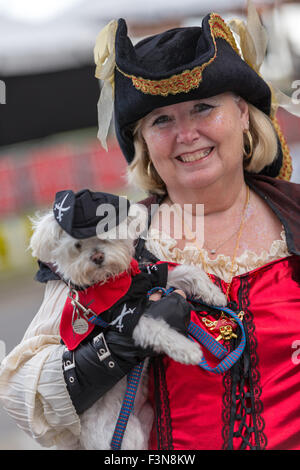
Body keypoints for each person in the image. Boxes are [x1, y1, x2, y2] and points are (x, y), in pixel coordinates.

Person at [0, 3, 299, 450]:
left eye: (203, 108)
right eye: (162, 120)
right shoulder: (110, 237)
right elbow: (22, 395)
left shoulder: (295, 217)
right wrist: (114, 348)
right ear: (142, 143)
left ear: (243, 114)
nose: (186, 134)